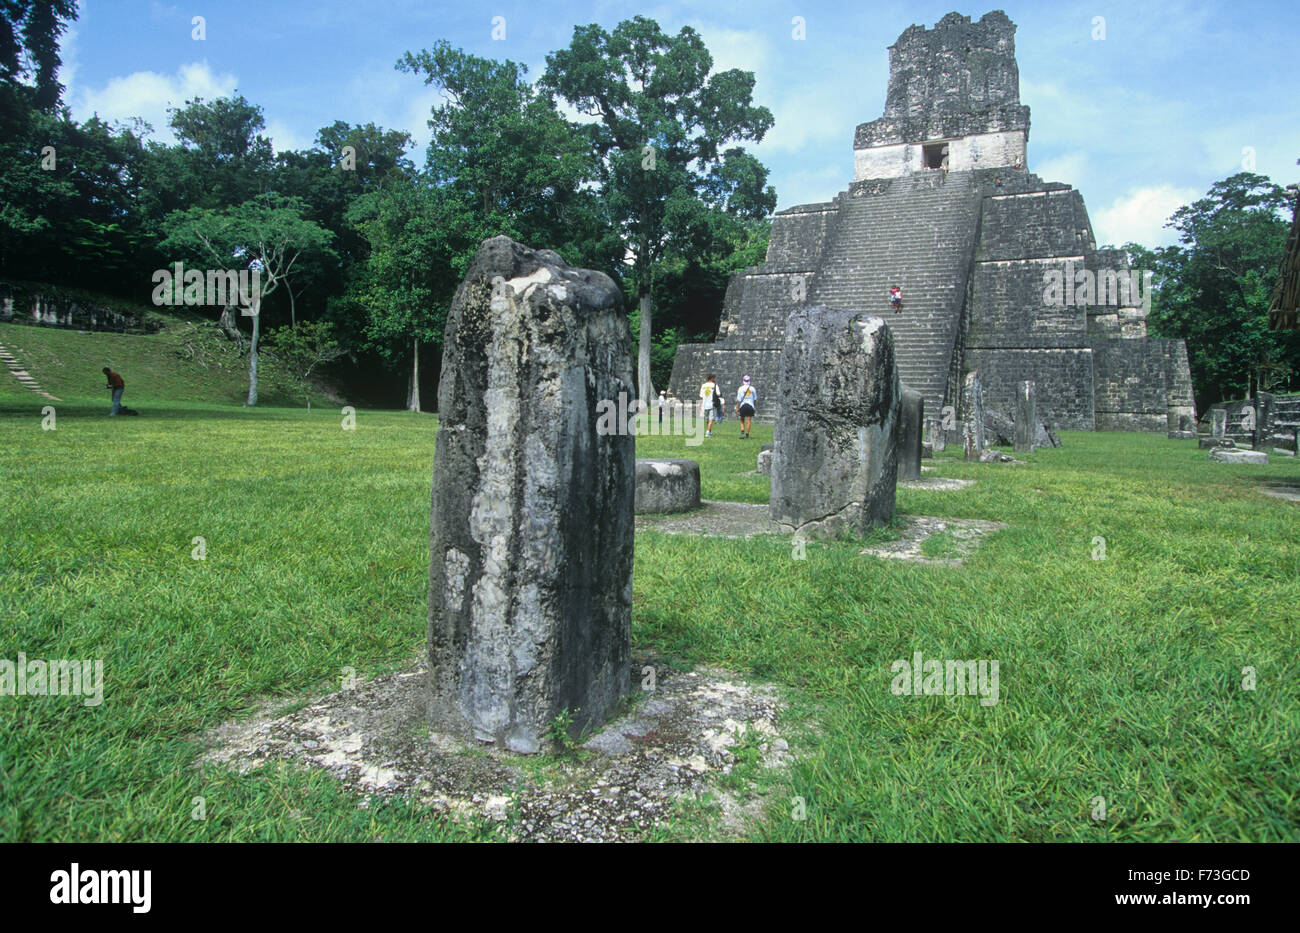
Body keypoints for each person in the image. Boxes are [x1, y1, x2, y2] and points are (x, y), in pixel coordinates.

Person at [700, 373, 721, 438]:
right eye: (714, 378)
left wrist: (700, 405)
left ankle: (709, 431)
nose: (715, 379)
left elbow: (701, 396)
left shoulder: (703, 385)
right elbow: (719, 394)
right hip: (712, 404)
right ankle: (708, 432)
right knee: (711, 419)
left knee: (707, 420)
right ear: (712, 378)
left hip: (704, 405)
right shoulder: (715, 385)